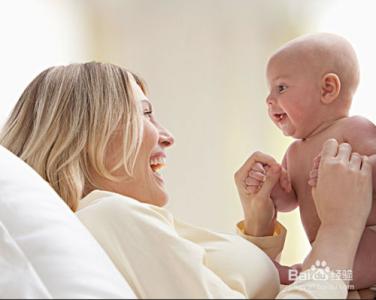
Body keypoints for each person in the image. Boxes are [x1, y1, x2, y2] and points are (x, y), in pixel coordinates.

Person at [0, 62, 373, 298]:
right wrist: (340, 228)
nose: (167, 135)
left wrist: (260, 223)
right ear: (87, 131)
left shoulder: (120, 222)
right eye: (144, 114)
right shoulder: (108, 216)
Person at [246, 33, 376, 290]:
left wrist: (361, 169)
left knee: (344, 262)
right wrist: (270, 187)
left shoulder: (353, 129)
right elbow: (289, 201)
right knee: (322, 263)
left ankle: (298, 274)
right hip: (330, 245)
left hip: (368, 236)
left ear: (327, 89)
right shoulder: (294, 152)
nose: (269, 99)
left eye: (281, 87)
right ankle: (303, 273)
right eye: (269, 91)